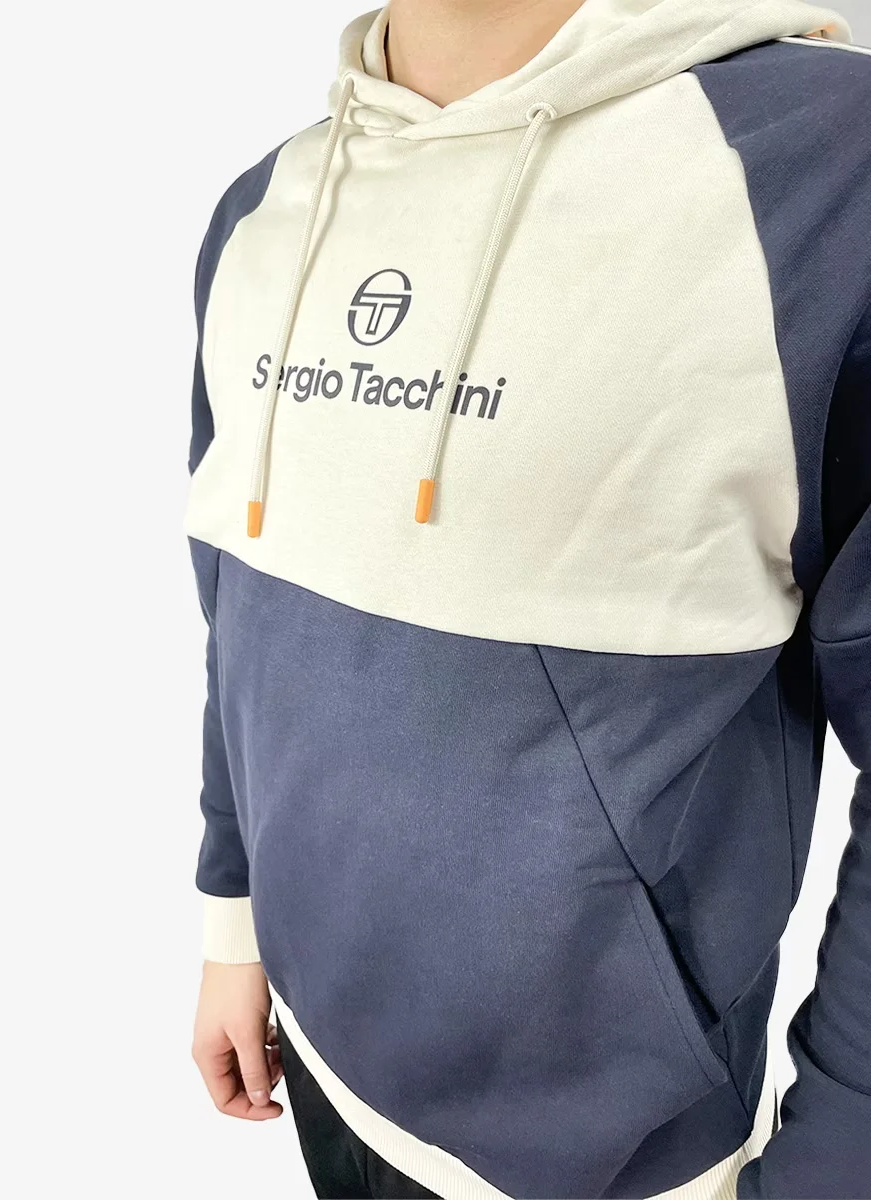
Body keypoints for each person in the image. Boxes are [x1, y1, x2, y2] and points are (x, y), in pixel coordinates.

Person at [182, 0, 871, 1195]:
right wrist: (233, 920)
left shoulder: (827, 171)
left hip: (610, 1161)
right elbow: (244, 613)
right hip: (321, 1068)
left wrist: (836, 1165)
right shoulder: (262, 208)